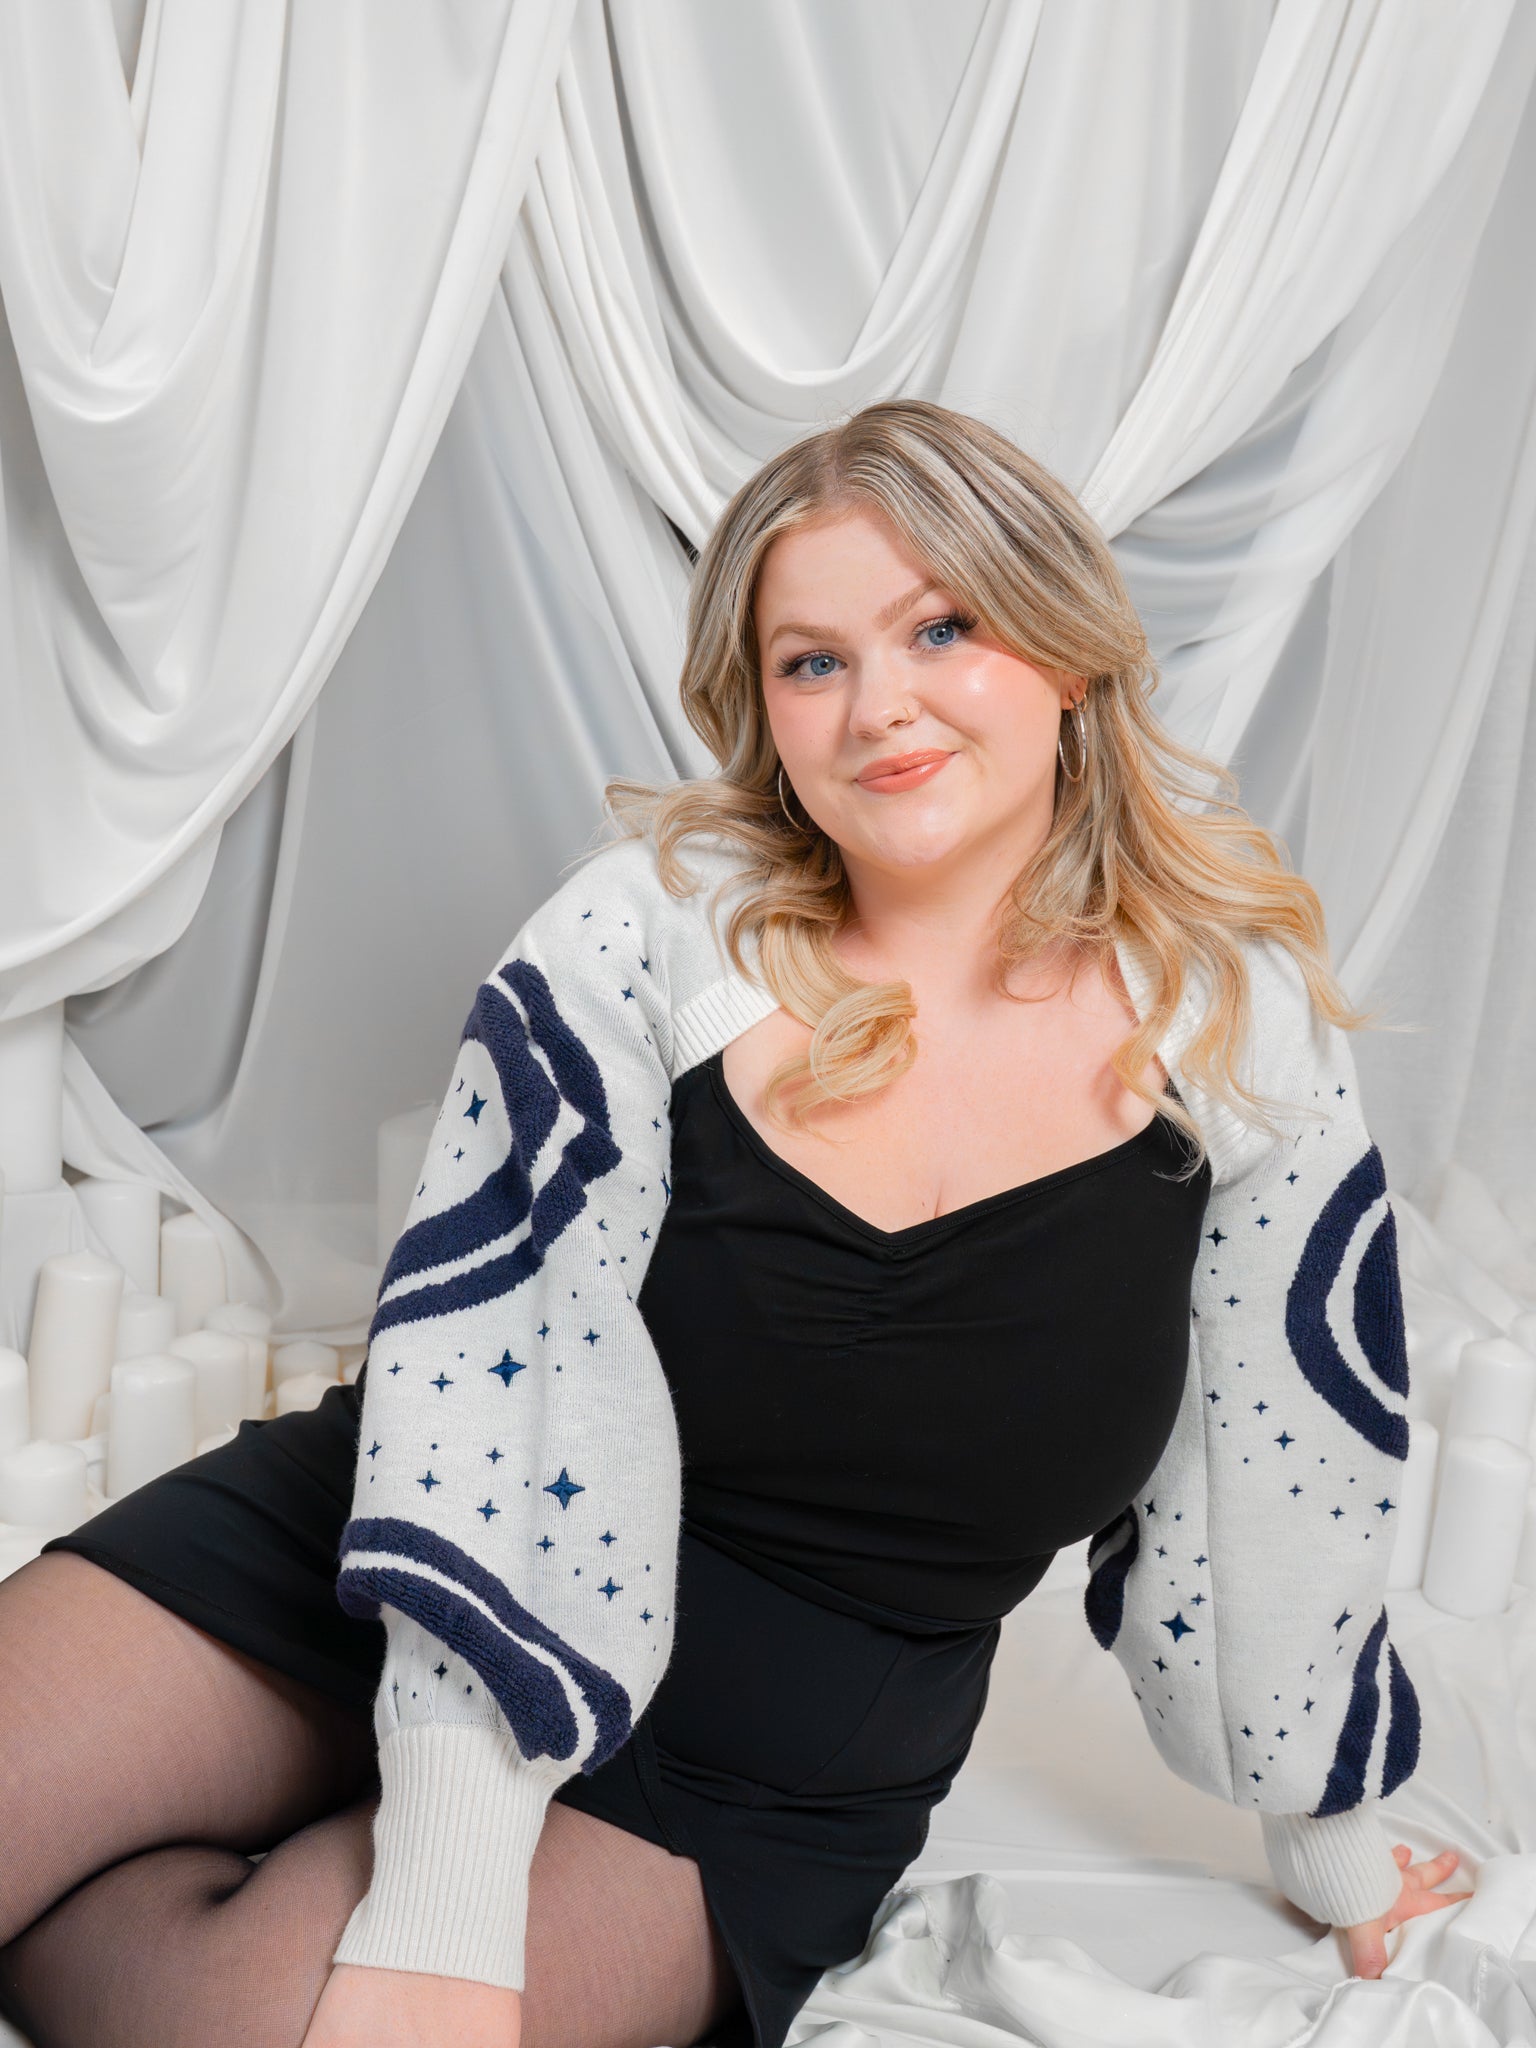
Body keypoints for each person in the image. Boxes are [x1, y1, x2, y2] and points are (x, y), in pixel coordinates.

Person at [0, 400, 1470, 2048]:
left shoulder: (1234, 1023)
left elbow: (1284, 1487)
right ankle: (322, 1814)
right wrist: (445, 1888)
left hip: (762, 1754)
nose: (881, 706)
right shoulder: (643, 939)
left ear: (1065, 653)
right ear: (764, 711)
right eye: (813, 662)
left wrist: (1332, 1837)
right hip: (416, 1550)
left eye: (942, 627)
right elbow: (502, 1378)